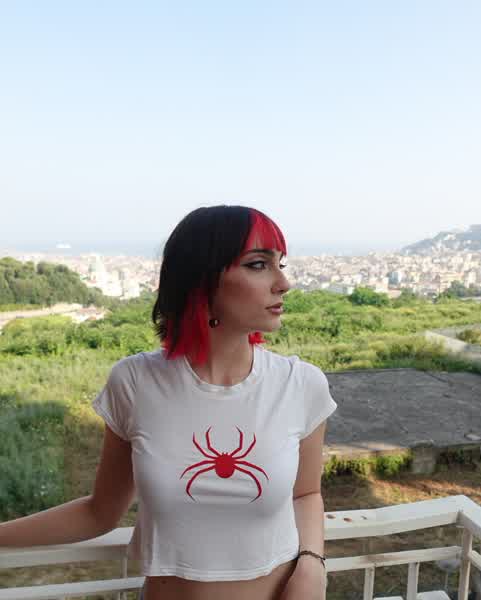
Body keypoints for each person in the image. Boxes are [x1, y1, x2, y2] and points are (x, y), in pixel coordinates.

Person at [0, 205, 337, 600]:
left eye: (281, 264)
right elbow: (99, 512)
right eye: (259, 265)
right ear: (201, 280)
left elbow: (306, 494)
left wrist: (312, 567)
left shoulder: (300, 384)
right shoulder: (135, 382)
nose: (284, 283)